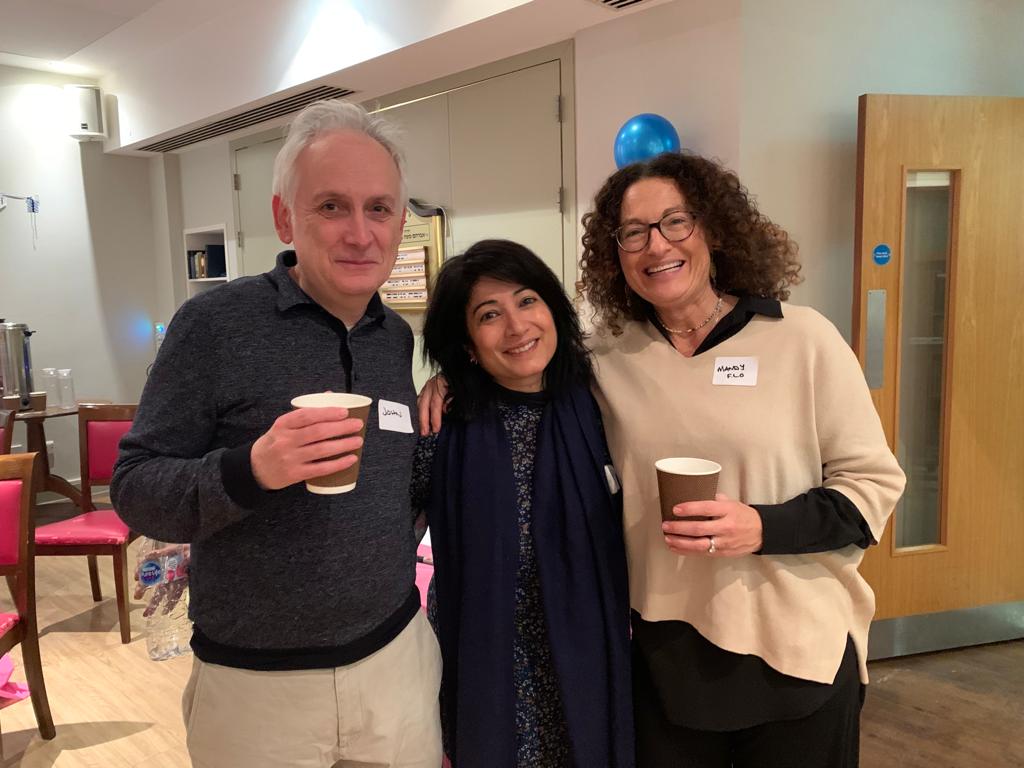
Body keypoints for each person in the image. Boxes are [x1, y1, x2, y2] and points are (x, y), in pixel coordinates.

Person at [111, 100, 441, 768]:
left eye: (379, 208)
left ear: (400, 222)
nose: (360, 233)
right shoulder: (215, 326)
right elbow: (135, 488)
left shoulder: (393, 337)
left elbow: (395, 487)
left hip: (396, 664)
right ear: (284, 218)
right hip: (256, 689)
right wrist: (251, 469)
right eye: (331, 206)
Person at [576, 151, 906, 767]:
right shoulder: (605, 359)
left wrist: (761, 527)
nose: (656, 245)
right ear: (614, 253)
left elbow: (871, 486)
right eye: (633, 232)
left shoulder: (802, 339)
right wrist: (450, 382)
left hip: (794, 648)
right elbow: (519, 378)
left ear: (714, 229)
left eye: (676, 221)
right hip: (666, 654)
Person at [414, 239, 633, 767]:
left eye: (527, 301)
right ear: (467, 344)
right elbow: (391, 531)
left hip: (588, 649)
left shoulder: (604, 404)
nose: (517, 327)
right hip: (489, 661)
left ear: (553, 309)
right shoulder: (442, 425)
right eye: (490, 315)